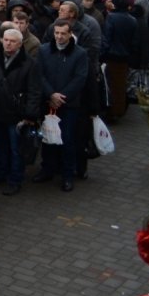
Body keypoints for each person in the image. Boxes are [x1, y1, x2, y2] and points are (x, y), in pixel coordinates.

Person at [0, 28, 42, 195]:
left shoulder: (29, 63)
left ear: (20, 44)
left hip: (17, 115)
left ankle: (15, 180)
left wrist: (29, 115)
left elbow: (34, 91)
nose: (7, 43)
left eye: (12, 41)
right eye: (5, 39)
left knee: (16, 150)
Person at [34, 19, 89, 192]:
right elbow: (39, 74)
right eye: (56, 33)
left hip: (68, 105)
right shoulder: (43, 50)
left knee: (67, 139)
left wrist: (61, 97)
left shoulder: (80, 54)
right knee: (47, 137)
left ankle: (67, 175)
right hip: (48, 102)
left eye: (63, 33)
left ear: (70, 34)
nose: (59, 36)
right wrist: (50, 94)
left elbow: (80, 78)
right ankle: (47, 169)